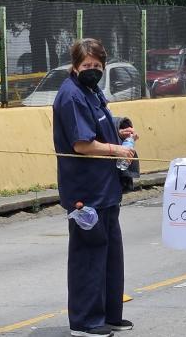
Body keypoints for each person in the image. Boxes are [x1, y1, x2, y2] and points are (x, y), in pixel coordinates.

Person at [53, 39, 137, 337]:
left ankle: (109, 314)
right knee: (88, 257)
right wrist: (116, 149)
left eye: (97, 66)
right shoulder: (71, 96)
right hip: (84, 191)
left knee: (111, 254)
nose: (93, 70)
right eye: (87, 66)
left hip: (106, 189)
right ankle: (85, 322)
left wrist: (119, 130)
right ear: (75, 66)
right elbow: (81, 143)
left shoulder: (92, 91)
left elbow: (98, 124)